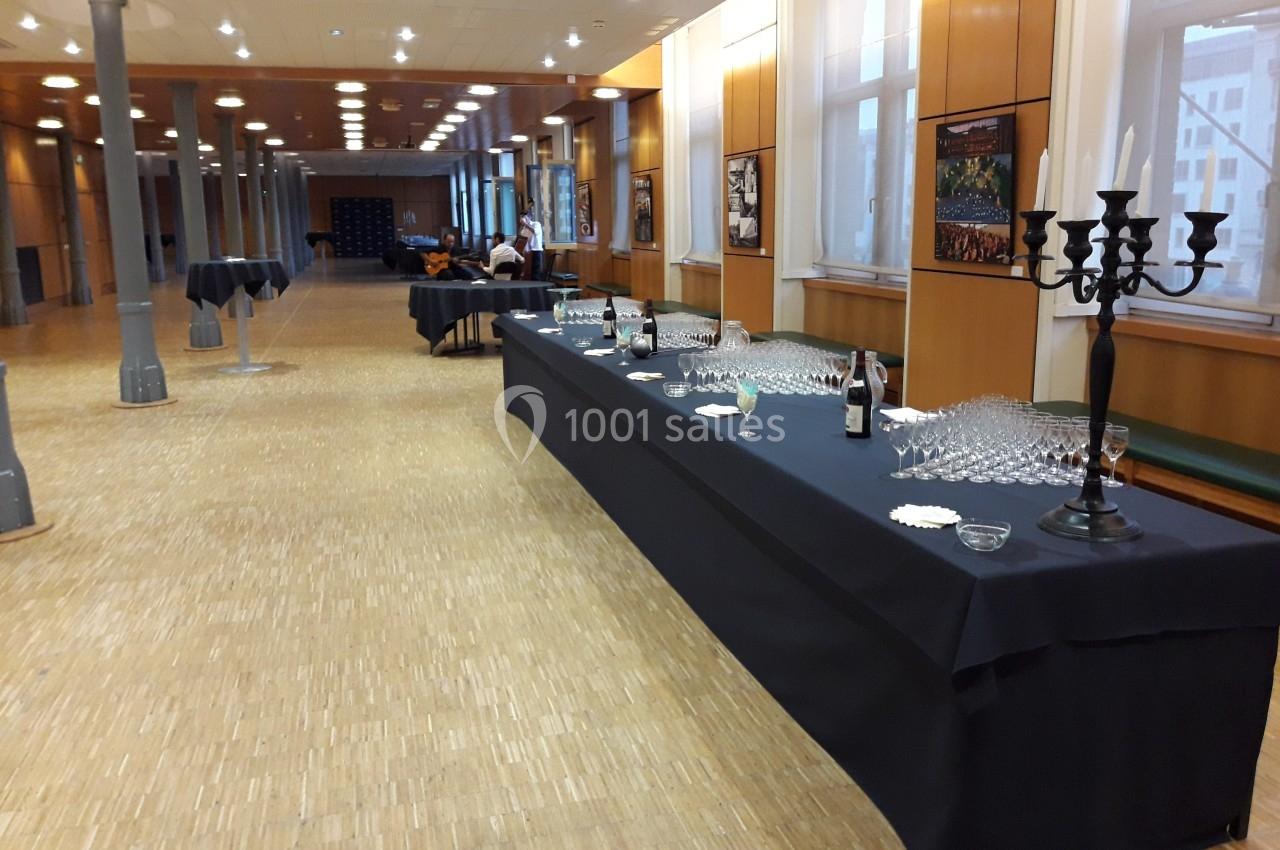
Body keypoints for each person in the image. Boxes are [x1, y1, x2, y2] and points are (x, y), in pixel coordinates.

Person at [519, 205, 544, 280]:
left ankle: (537, 285)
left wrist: (526, 224)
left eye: (523, 217)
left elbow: (535, 232)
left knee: (535, 272)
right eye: (521, 217)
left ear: (529, 217)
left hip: (536, 250)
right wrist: (522, 226)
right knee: (528, 271)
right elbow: (522, 238)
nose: (522, 219)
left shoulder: (536, 224)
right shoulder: (524, 228)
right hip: (527, 252)